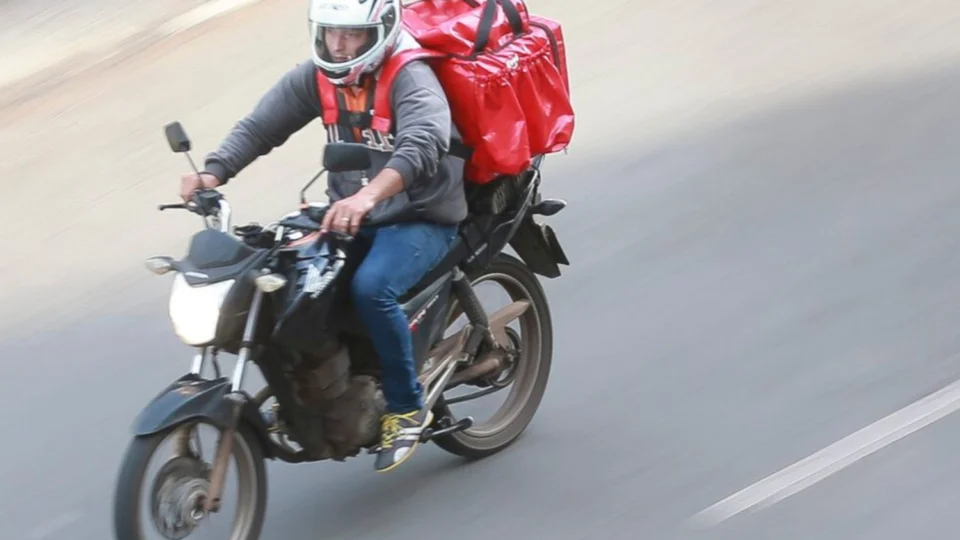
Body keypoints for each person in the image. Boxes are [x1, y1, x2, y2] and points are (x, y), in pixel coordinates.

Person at [178, 0, 468, 472]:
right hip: (346, 214)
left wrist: (367, 197)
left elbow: (423, 145)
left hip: (420, 215)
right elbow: (261, 126)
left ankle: (406, 407)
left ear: (381, 33)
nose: (338, 44)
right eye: (331, 32)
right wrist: (213, 172)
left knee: (372, 289)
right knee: (283, 279)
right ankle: (312, 385)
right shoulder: (317, 75)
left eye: (351, 35)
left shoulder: (410, 78)